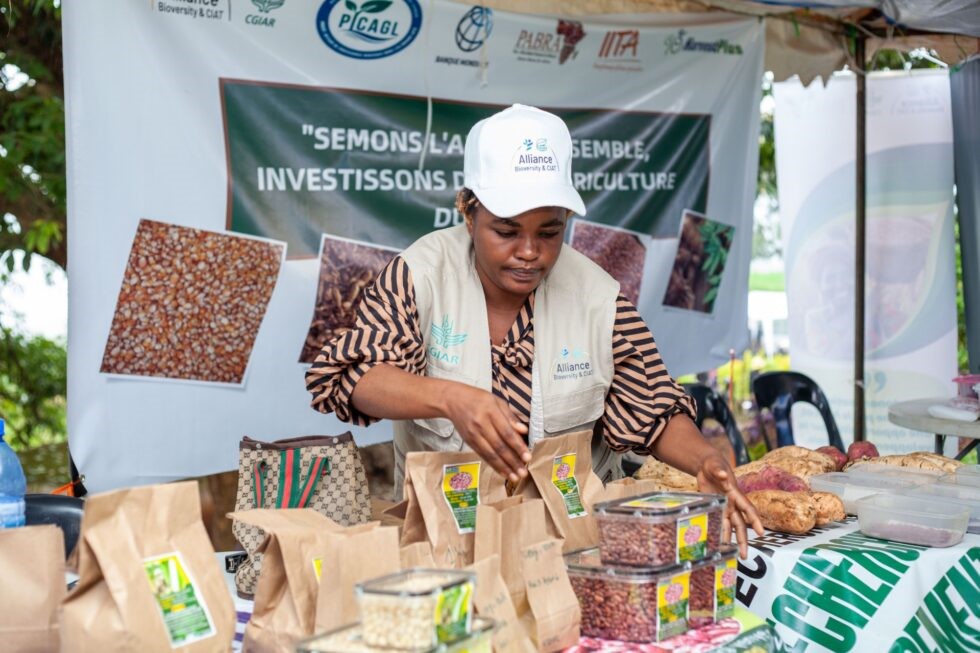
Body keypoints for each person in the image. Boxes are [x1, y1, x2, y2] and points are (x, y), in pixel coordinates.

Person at [306, 104, 762, 554]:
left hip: (574, 546)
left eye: (549, 232)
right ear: (468, 212)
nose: (530, 252)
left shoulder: (598, 299)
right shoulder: (421, 277)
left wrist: (704, 459)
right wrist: (448, 397)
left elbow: (654, 410)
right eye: (506, 231)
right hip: (447, 544)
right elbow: (348, 378)